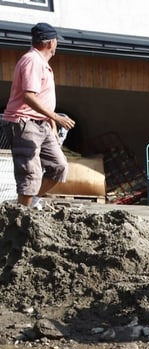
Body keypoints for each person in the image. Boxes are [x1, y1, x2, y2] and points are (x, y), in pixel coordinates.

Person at [2, 22, 76, 209]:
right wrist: (57, 117)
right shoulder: (32, 61)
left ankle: (30, 202)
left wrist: (51, 123)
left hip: (41, 123)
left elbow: (41, 99)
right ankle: (19, 220)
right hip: (25, 123)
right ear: (50, 43)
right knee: (30, 175)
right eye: (57, 42)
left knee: (58, 167)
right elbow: (28, 97)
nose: (57, 46)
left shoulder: (41, 63)